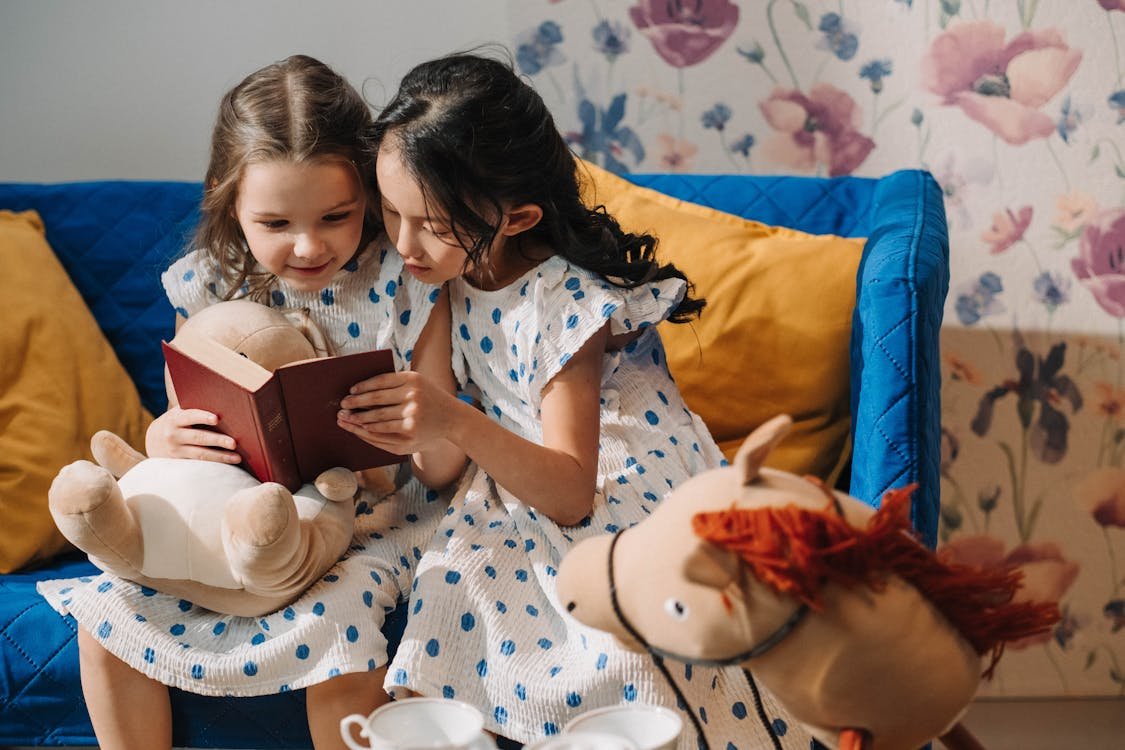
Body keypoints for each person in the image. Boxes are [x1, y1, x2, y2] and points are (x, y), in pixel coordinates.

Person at [336, 52, 812, 749]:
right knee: (449, 589)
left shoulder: (565, 302)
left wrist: (449, 418)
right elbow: (439, 467)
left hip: (606, 468)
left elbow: (571, 495)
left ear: (519, 216)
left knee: (618, 636)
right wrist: (408, 422)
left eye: (433, 225)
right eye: (390, 212)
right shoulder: (433, 276)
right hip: (501, 466)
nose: (403, 243)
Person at [37, 54, 463, 750]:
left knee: (342, 628)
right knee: (105, 614)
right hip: (229, 518)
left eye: (337, 215)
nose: (307, 244)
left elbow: (443, 465)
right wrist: (167, 438)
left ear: (372, 198)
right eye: (274, 222)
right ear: (228, 203)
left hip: (368, 519)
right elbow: (181, 421)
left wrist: (413, 428)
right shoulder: (207, 283)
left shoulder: (407, 282)